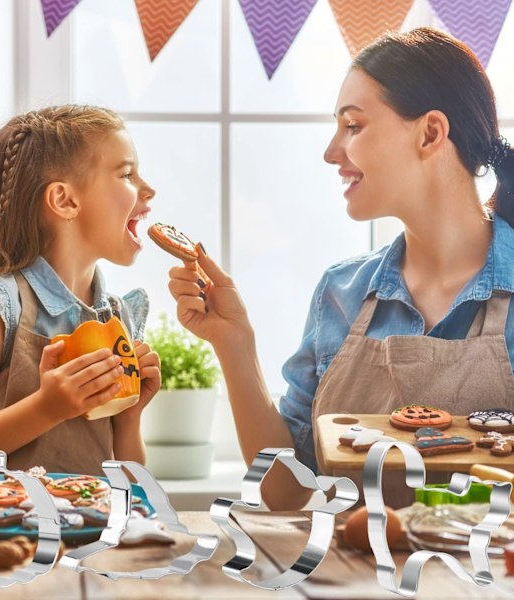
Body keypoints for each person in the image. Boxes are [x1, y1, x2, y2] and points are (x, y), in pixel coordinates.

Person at [168, 27, 514, 509]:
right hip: (353, 580)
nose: (332, 152)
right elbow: (286, 492)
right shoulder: (341, 292)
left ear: (431, 132)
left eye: (353, 126)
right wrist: (235, 343)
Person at [0, 105, 161, 480]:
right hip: (0, 532)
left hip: (87, 535)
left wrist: (129, 419)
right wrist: (46, 409)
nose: (148, 189)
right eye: (127, 174)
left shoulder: (118, 320)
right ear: (65, 201)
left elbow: (128, 483)